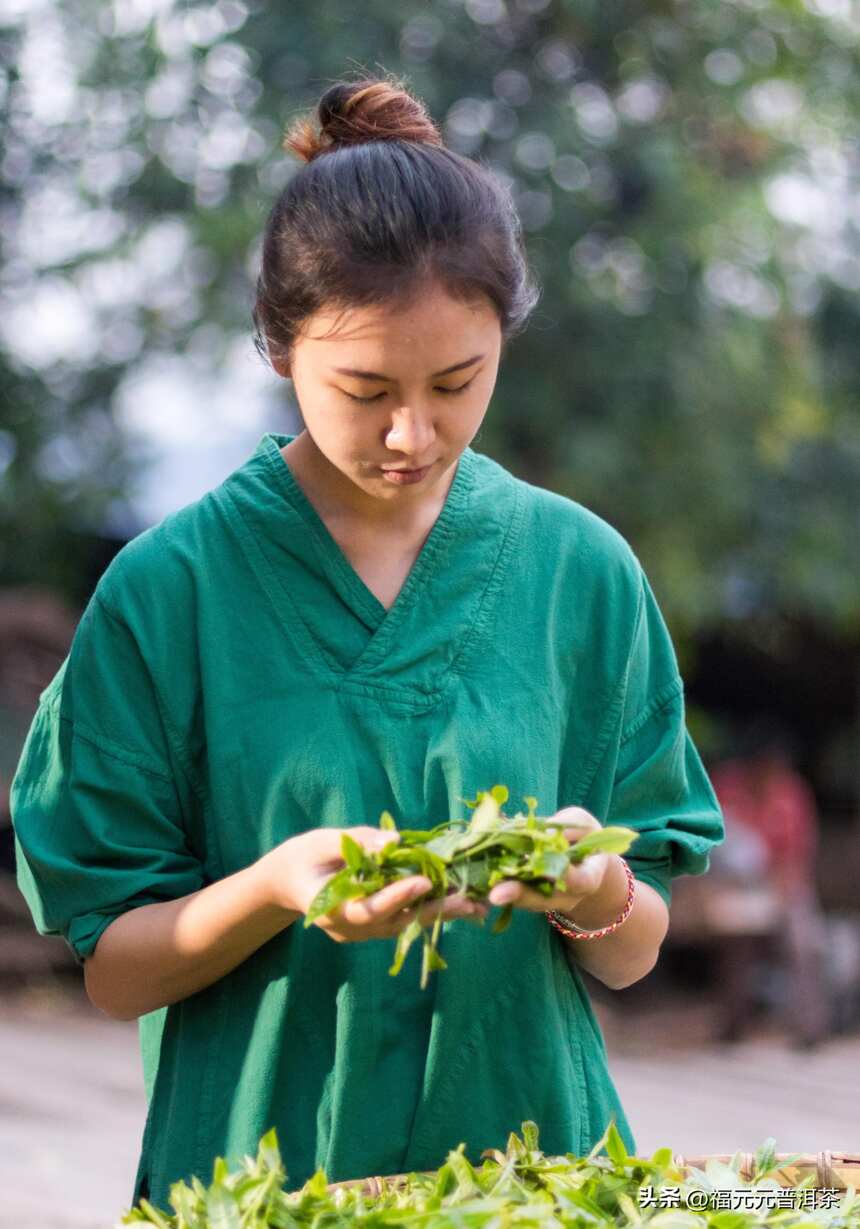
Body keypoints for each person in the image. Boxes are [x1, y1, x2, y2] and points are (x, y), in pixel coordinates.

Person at [10, 72, 725, 1214]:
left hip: (532, 1178)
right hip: (262, 1182)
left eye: (456, 383)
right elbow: (113, 969)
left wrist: (590, 883)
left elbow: (631, 949)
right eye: (364, 388)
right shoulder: (169, 590)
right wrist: (272, 889)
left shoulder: (577, 574)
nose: (412, 432)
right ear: (281, 346)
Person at [708, 719, 830, 1047]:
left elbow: (798, 856)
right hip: (736, 888)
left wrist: (779, 894)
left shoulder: (792, 795)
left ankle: (810, 1028)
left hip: (786, 884)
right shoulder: (727, 787)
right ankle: (733, 1026)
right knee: (736, 947)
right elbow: (711, 843)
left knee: (802, 944)